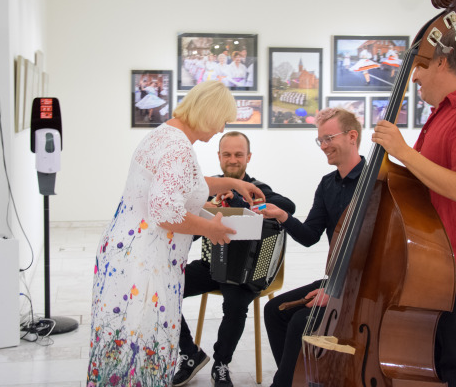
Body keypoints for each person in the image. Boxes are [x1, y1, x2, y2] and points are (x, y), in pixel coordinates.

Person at [87, 81, 265, 387]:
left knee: (123, 345)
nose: (222, 127)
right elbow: (165, 211)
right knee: (142, 347)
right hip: (146, 260)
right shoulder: (179, 148)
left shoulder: (165, 134)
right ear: (210, 113)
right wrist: (212, 229)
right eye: (222, 119)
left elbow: (188, 183)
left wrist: (232, 184)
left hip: (124, 252)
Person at [372, 27, 456, 386]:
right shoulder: (439, 116)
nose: (413, 76)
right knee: (437, 368)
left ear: (442, 62)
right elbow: (424, 183)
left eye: (420, 67)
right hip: (440, 263)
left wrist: (402, 151)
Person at [172, 131, 296, 387]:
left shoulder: (259, 187)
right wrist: (204, 211)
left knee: (236, 306)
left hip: (244, 273)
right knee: (166, 288)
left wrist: (241, 200)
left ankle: (221, 363)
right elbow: (191, 233)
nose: (233, 159)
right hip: (210, 265)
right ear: (219, 156)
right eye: (227, 154)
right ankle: (191, 354)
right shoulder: (205, 189)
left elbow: (288, 205)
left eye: (239, 154)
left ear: (248, 157)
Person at [260, 107, 365, 387]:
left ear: (352, 136)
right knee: (275, 311)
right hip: (336, 281)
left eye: (329, 138)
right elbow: (309, 236)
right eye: (320, 140)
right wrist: (282, 216)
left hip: (363, 286)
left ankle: (283, 383)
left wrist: (337, 292)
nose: (324, 146)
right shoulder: (327, 184)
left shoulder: (375, 182)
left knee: (299, 322)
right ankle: (295, 380)